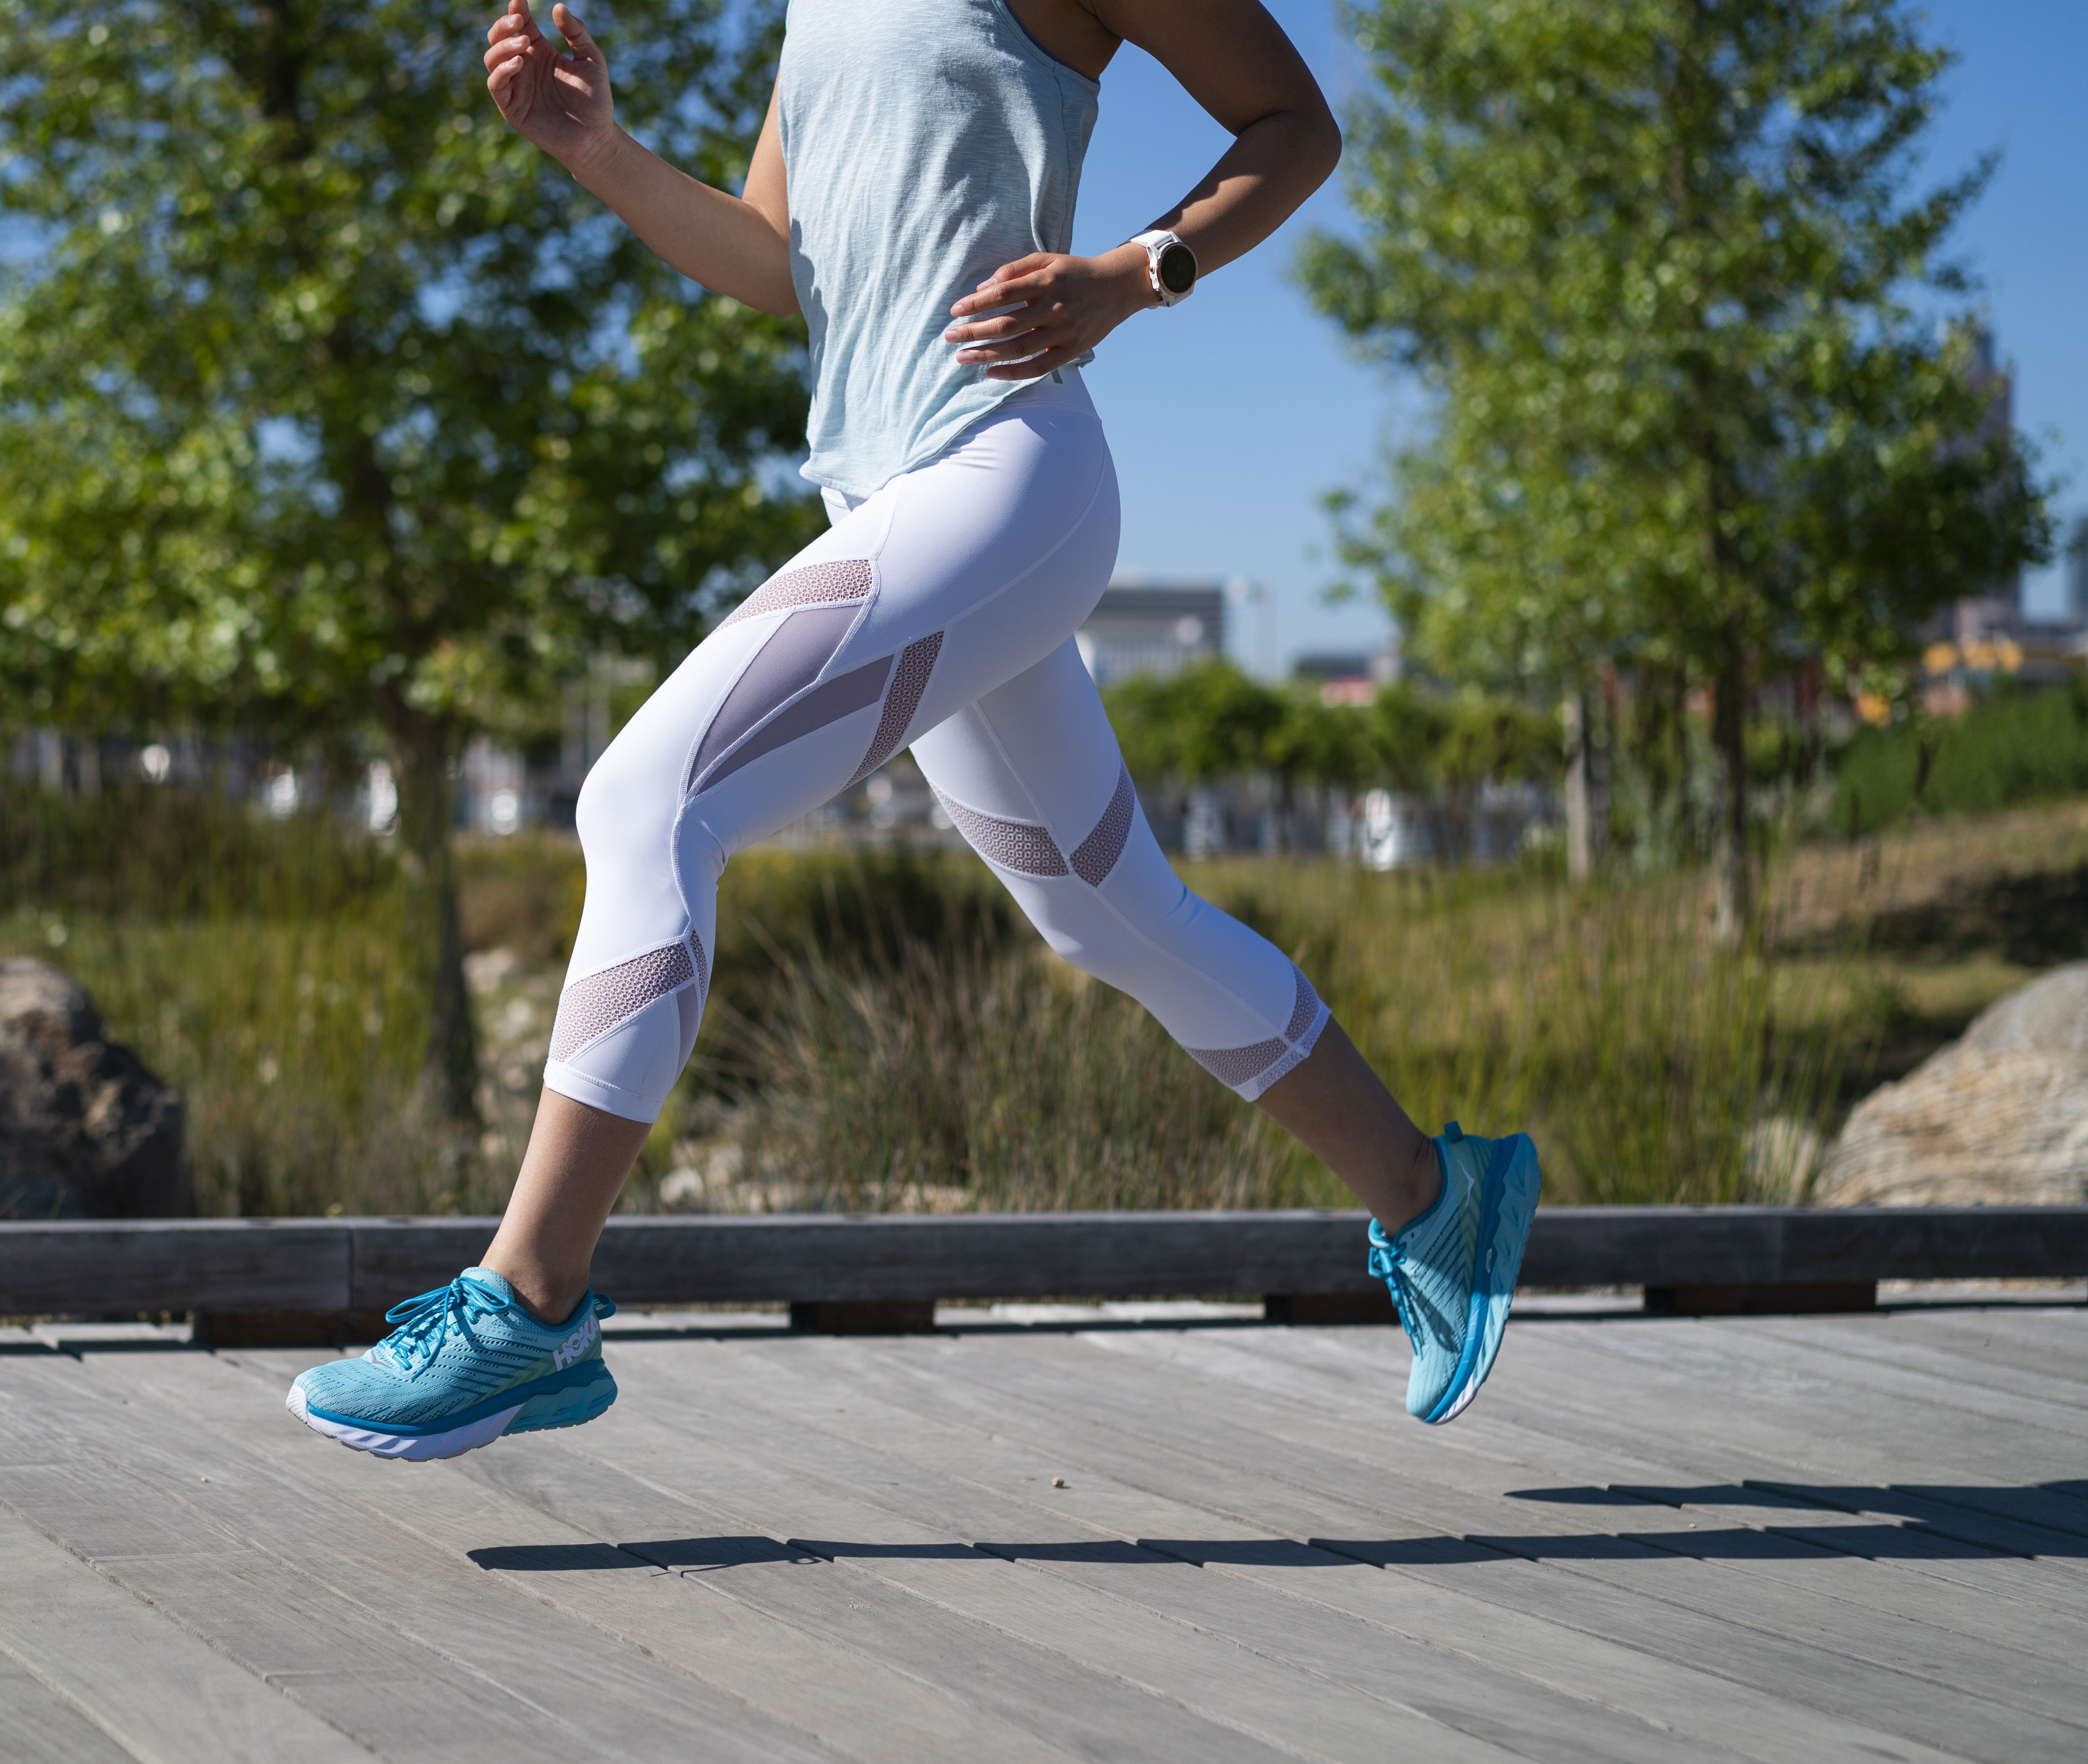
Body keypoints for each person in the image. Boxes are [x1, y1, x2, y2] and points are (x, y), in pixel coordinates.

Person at [289, 0, 1540, 1463]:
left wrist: (1133, 275)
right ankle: (1432, 1197)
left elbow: (1295, 127)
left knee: (644, 803)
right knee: (1110, 916)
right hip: (891, 503)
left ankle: (529, 1302)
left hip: (1006, 470)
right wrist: (598, 151)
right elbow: (781, 259)